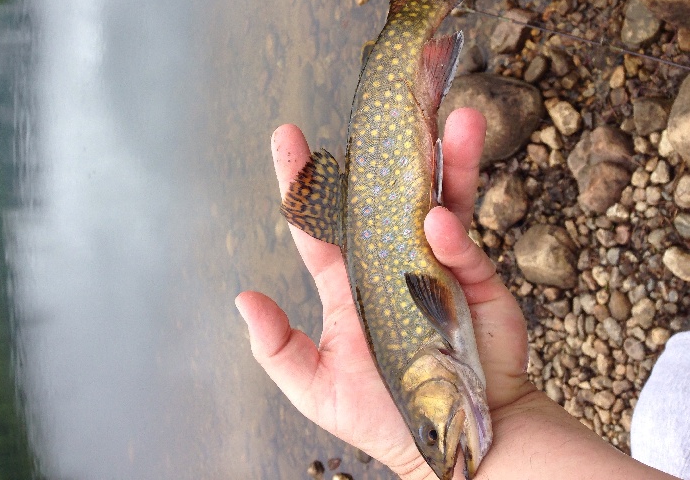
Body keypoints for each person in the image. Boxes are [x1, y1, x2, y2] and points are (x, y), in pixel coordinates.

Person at [235, 108, 682, 480]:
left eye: (430, 436)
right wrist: (422, 460)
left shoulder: (439, 342)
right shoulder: (453, 395)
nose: (446, 458)